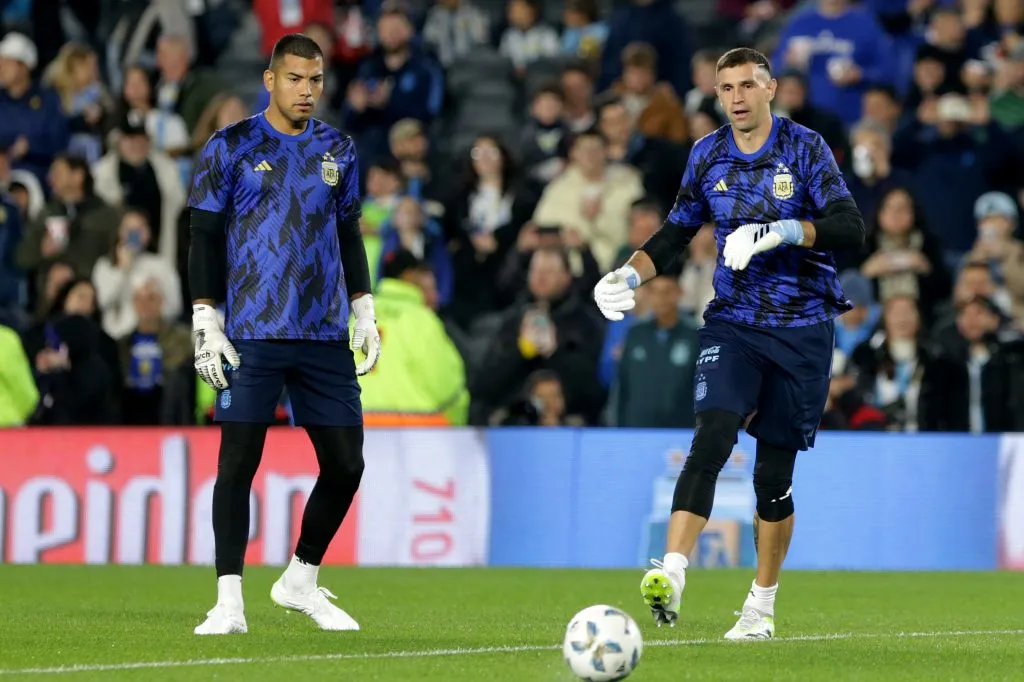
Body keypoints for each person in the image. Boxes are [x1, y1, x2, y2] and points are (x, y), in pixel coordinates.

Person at [593, 47, 865, 640]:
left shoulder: (806, 148)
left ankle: (760, 606)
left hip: (802, 329)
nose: (737, 97)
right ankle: (672, 570)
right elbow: (677, 229)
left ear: (771, 89)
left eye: (747, 85)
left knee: (772, 477)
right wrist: (630, 274)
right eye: (726, 88)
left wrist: (784, 231)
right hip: (733, 322)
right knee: (712, 431)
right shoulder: (707, 154)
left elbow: (852, 227)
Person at [187, 34, 381, 636]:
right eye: (295, 78)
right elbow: (203, 235)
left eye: (316, 80)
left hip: (323, 333)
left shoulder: (339, 150)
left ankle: (300, 578)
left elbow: (348, 233)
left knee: (346, 465)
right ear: (269, 80)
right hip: (253, 331)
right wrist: (204, 316)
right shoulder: (231, 146)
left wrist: (364, 308)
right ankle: (228, 602)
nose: (307, 90)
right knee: (238, 464)